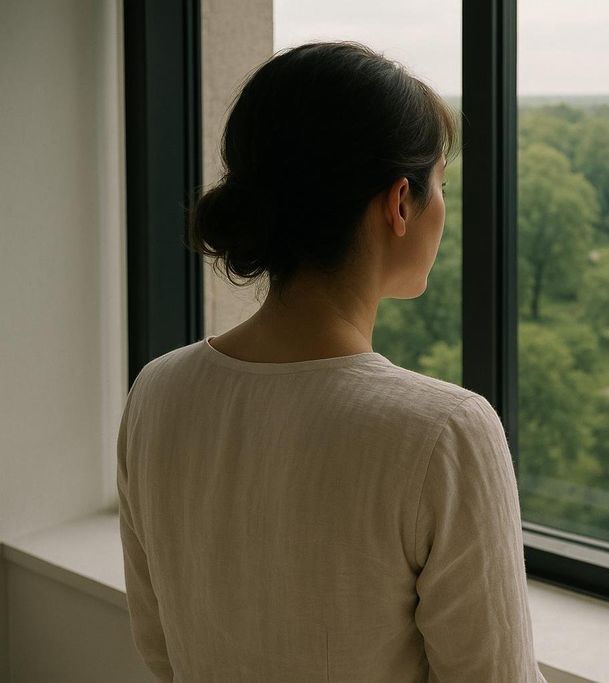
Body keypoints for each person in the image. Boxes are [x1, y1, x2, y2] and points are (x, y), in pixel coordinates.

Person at [117, 41, 547, 682]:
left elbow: (162, 653)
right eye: (442, 186)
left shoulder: (158, 392)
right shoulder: (444, 431)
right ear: (400, 202)